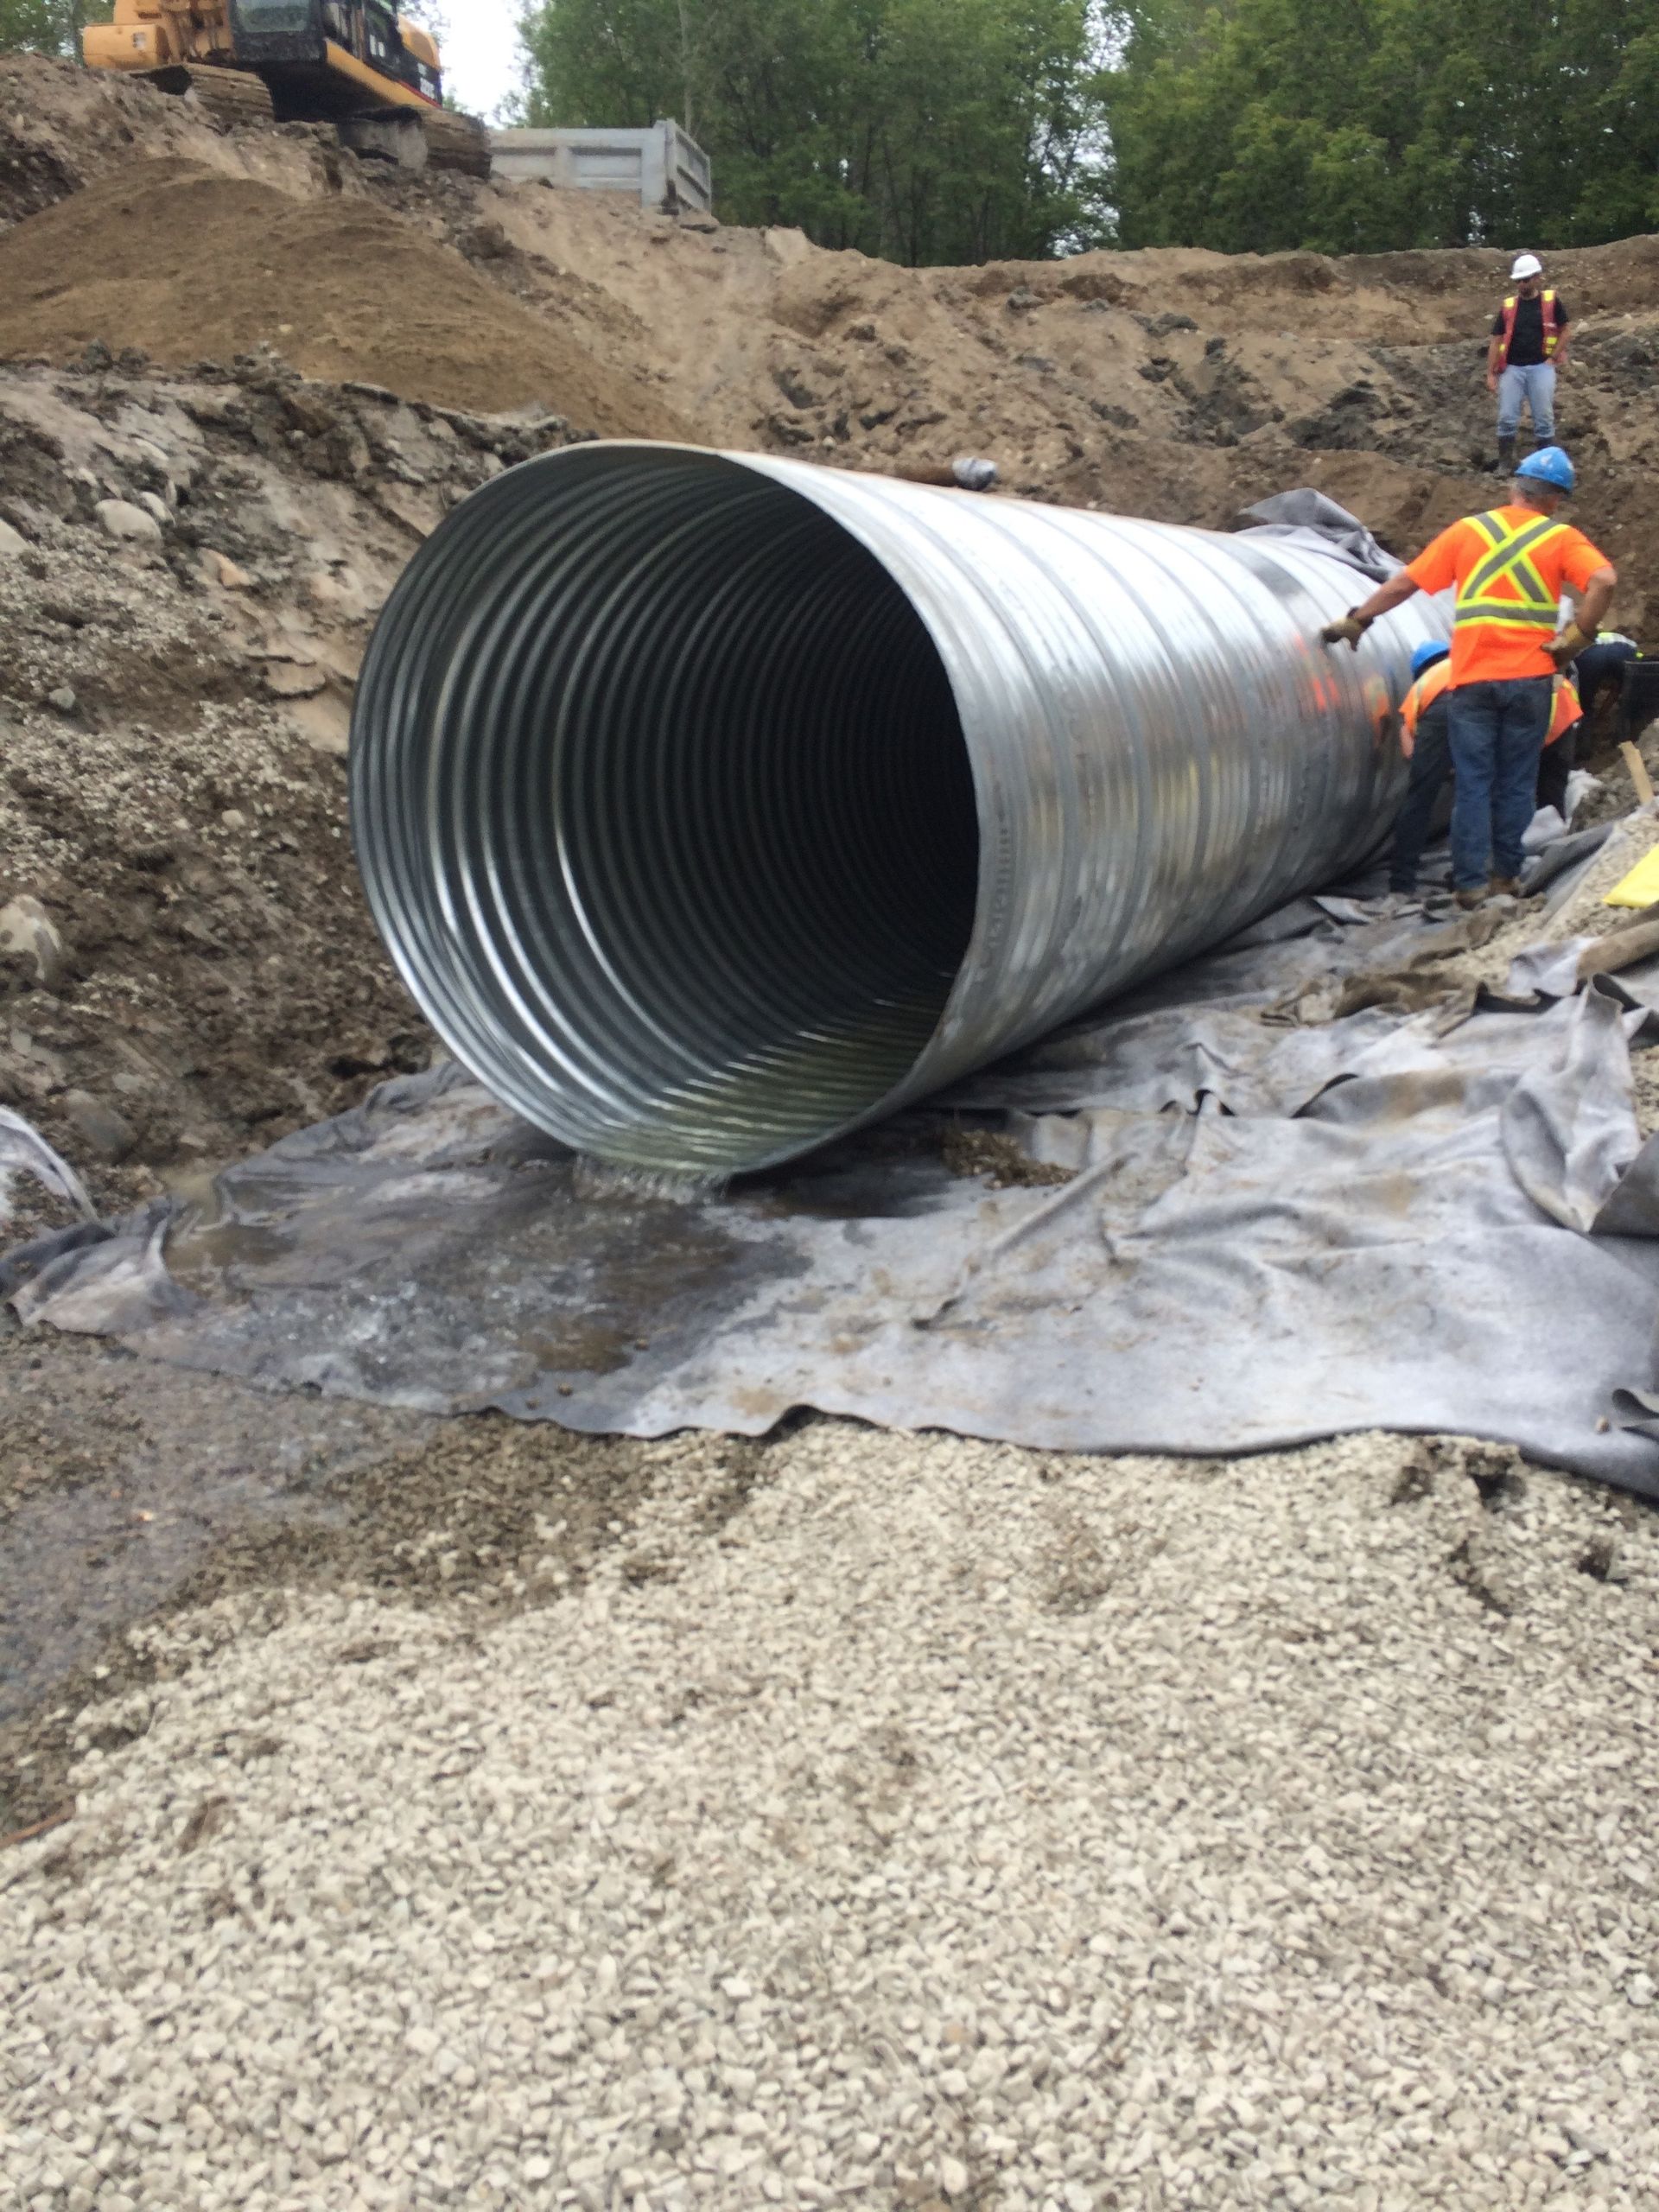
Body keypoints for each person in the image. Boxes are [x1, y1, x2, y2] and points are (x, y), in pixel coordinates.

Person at [1319, 447, 1616, 908]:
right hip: (1532, 681)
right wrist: (1579, 635)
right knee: (1516, 781)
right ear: (1555, 499)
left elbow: (1405, 584)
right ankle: (1506, 877)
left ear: (1513, 487)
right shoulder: (1561, 538)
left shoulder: (1469, 531)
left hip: (1473, 680)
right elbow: (1605, 581)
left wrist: (1358, 620)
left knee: (1474, 783)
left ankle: (1470, 883)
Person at [1487, 254, 1570, 471]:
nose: (1521, 284)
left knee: (1543, 418)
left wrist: (1554, 356)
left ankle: (1544, 465)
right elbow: (1496, 340)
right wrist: (1490, 372)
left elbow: (1565, 330)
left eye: (1526, 280)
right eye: (1518, 281)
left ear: (1537, 278)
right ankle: (1506, 463)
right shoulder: (1508, 307)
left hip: (1541, 366)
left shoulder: (1551, 302)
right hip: (1512, 368)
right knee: (1506, 416)